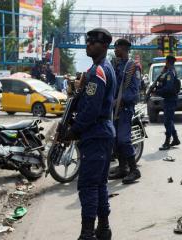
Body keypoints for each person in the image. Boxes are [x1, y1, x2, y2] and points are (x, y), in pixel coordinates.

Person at [64, 28, 116, 240]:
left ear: (103, 46)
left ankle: (87, 234)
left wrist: (73, 130)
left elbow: (91, 108)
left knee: (88, 185)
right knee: (99, 184)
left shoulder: (99, 71)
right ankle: (103, 230)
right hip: (102, 133)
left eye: (92, 42)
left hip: (95, 134)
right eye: (87, 42)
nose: (88, 45)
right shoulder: (100, 68)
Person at [108, 38, 142, 184]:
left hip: (125, 109)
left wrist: (120, 100)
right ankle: (123, 168)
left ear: (124, 49)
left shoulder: (132, 67)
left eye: (117, 48)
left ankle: (134, 170)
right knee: (115, 140)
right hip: (113, 110)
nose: (115, 50)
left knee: (123, 139)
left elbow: (134, 92)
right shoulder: (115, 65)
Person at [153, 55, 180, 150]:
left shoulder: (170, 73)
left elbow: (168, 88)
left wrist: (157, 92)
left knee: (167, 121)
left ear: (168, 62)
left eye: (166, 61)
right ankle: (175, 139)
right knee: (169, 120)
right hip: (170, 99)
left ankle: (167, 142)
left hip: (170, 99)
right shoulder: (170, 71)